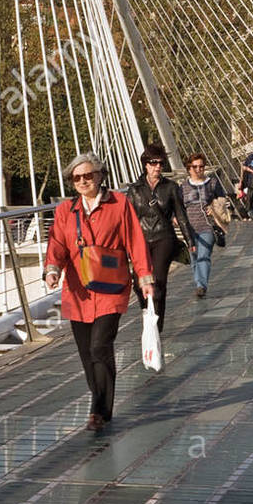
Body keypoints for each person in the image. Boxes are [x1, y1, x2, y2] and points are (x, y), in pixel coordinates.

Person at [44, 153, 153, 430]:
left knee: (99, 346)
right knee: (86, 352)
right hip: (77, 291)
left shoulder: (119, 204)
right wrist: (52, 269)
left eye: (88, 175)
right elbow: (57, 243)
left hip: (112, 287)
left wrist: (144, 277)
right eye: (77, 178)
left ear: (100, 175)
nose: (83, 181)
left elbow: (135, 241)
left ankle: (99, 410)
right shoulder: (64, 211)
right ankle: (99, 399)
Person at [126, 143, 195, 333]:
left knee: (158, 281)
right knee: (138, 283)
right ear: (145, 165)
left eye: (160, 163)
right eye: (153, 163)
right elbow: (128, 220)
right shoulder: (135, 190)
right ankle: (146, 310)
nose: (157, 167)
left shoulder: (171, 187)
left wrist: (190, 240)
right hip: (140, 239)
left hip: (164, 237)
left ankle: (156, 324)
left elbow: (181, 215)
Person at [181, 152, 227, 297]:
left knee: (204, 255)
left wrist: (213, 207)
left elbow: (222, 200)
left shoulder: (212, 183)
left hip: (208, 226)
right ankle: (198, 282)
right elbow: (178, 206)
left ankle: (201, 285)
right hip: (189, 228)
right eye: (195, 167)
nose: (198, 169)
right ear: (189, 168)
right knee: (194, 257)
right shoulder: (182, 187)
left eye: (201, 166)